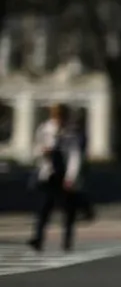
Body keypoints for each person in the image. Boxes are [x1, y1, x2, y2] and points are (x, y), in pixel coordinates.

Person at [28, 103, 82, 252]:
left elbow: (74, 156)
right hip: (49, 173)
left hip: (64, 174)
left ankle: (67, 241)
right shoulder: (45, 130)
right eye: (56, 116)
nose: (59, 119)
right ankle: (38, 239)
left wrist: (71, 177)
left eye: (61, 116)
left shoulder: (71, 132)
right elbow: (35, 150)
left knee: (68, 210)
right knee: (43, 208)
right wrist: (42, 151)